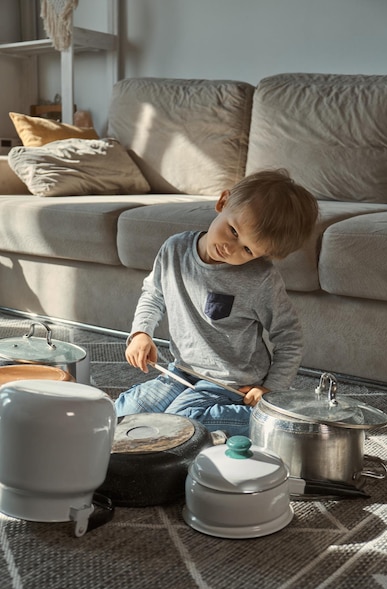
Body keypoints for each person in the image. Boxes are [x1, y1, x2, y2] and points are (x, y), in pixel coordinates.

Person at [115, 169, 319, 435]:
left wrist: (271, 390)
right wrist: (141, 332)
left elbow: (289, 337)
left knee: (181, 423)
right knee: (124, 411)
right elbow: (153, 294)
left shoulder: (261, 278)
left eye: (248, 250)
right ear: (223, 202)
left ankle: (276, 423)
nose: (230, 249)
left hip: (230, 384)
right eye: (233, 231)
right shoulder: (174, 249)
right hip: (182, 371)